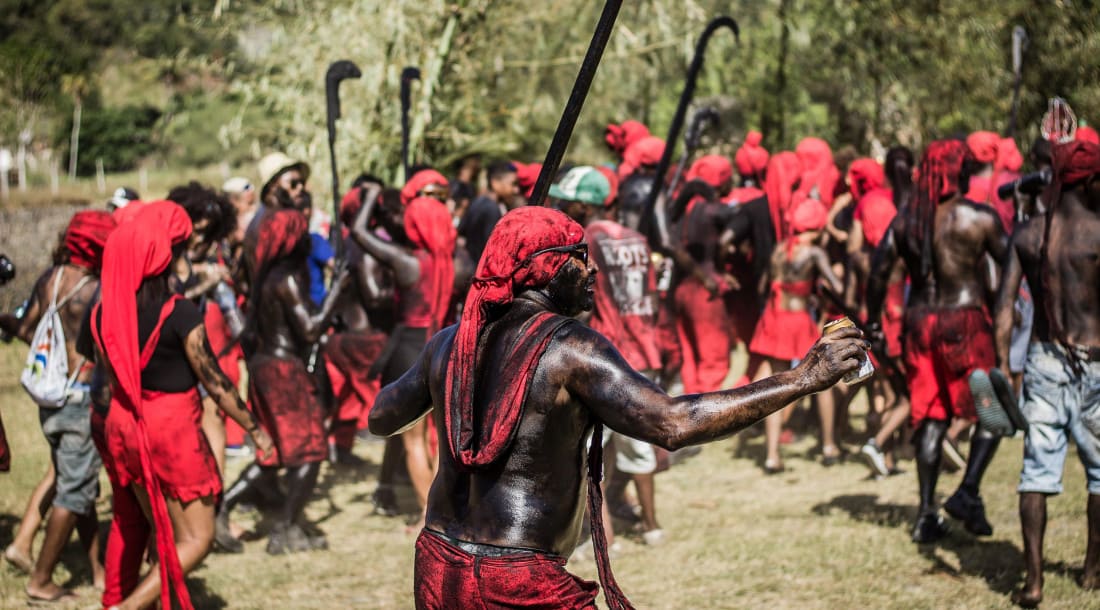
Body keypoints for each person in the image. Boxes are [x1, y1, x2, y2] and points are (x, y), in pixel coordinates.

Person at [368, 206, 867, 608]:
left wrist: (457, 351)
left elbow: (381, 416)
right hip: (517, 581)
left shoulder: (449, 343)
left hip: (439, 566)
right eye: (579, 257)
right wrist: (801, 379)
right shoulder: (573, 350)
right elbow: (673, 422)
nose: (592, 270)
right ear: (546, 269)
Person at [89, 201, 272, 610]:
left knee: (164, 531)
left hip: (125, 424)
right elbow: (217, 383)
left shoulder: (103, 312)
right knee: (197, 538)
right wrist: (256, 429)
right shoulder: (180, 312)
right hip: (170, 429)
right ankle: (128, 607)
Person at [866, 139, 1010, 543]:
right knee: (994, 412)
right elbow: (1011, 268)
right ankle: (967, 492)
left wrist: (873, 324)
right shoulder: (978, 217)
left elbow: (877, 274)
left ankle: (926, 514)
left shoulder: (907, 221)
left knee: (930, 417)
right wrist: (1005, 314)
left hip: (920, 324)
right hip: (965, 324)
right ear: (957, 171)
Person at [994, 139, 1100, 607]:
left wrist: (1002, 369)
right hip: (1095, 363)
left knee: (1036, 473)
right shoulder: (1098, 233)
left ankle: (1033, 583)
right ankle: (1092, 570)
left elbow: (1004, 313)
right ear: (1092, 180)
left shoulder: (1027, 234)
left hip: (1042, 361)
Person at [217, 208, 347, 555]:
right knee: (311, 452)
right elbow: (308, 328)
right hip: (281, 371)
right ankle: (286, 528)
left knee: (272, 453)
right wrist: (337, 291)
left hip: (266, 366)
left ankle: (223, 507)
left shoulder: (268, 275)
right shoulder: (287, 277)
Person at [0, 210, 114, 602]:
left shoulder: (51, 279)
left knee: (75, 483)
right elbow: (105, 350)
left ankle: (98, 569)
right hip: (80, 401)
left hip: (49, 401)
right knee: (74, 492)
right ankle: (42, 580)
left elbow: (27, 329)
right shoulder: (97, 289)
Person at [558, 166, 666, 545]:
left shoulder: (586, 240)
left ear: (584, 206)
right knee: (639, 445)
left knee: (589, 451)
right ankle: (652, 527)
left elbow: (583, 304)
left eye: (568, 202)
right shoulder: (636, 238)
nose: (563, 207)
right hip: (645, 346)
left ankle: (606, 538)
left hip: (609, 353)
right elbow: (652, 298)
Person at [350, 183, 455, 524]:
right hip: (443, 344)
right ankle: (445, 508)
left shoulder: (409, 261)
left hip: (410, 348)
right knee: (439, 437)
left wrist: (368, 198)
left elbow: (359, 232)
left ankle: (429, 515)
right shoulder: (455, 263)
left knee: (414, 440)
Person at [749, 190, 843, 472]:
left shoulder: (780, 248)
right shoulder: (814, 252)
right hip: (798, 319)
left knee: (777, 383)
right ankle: (828, 445)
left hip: (774, 318)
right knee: (822, 377)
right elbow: (836, 287)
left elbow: (764, 284)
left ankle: (772, 455)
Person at [322, 186, 393, 465]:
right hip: (363, 340)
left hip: (343, 336)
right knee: (372, 396)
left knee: (347, 399)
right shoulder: (363, 246)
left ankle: (340, 449)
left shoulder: (347, 245)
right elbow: (374, 296)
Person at [458, 161, 520, 264]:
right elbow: (492, 248)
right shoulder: (492, 209)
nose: (516, 190)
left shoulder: (477, 201)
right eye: (513, 184)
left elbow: (461, 231)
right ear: (495, 182)